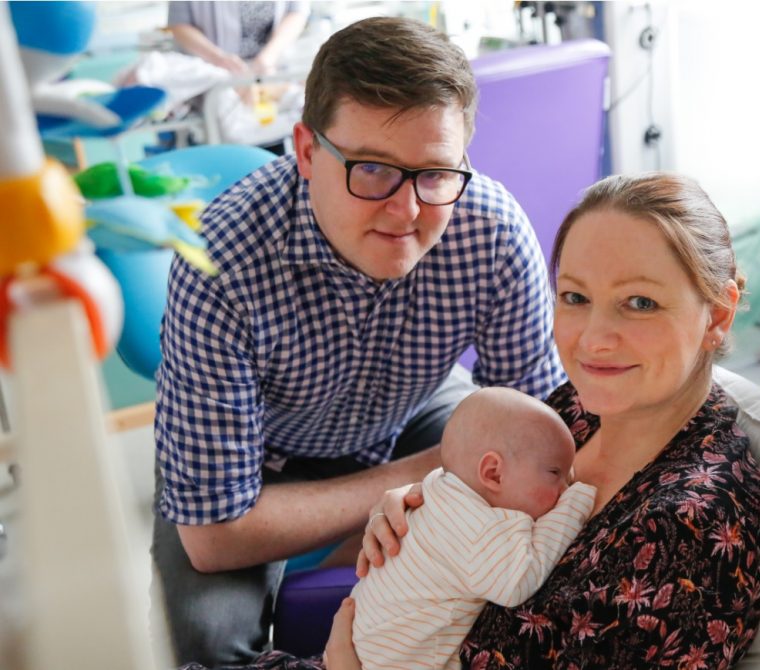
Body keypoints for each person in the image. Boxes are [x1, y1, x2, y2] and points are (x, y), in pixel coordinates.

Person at [180, 172, 760, 670]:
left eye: (640, 302)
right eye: (575, 297)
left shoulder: (689, 527)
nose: (593, 338)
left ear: (717, 315)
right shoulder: (576, 412)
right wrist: (422, 507)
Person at [155, 16, 564, 667]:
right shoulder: (221, 256)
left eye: (434, 173)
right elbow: (212, 536)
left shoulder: (490, 230)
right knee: (209, 647)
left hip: (419, 412)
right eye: (372, 169)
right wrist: (432, 472)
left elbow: (547, 428)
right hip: (268, 450)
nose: (405, 212)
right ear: (307, 151)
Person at [350, 387, 596, 669]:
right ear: (493, 473)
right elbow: (517, 582)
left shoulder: (440, 488)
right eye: (555, 474)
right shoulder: (477, 530)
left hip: (363, 641)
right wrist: (575, 503)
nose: (564, 487)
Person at [167, 1, 310, 77]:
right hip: (214, 70)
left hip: (274, 65)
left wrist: (269, 56)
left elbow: (297, 12)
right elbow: (179, 24)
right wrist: (218, 58)